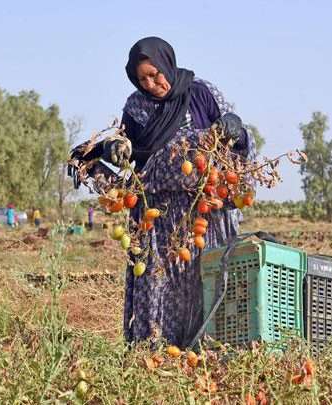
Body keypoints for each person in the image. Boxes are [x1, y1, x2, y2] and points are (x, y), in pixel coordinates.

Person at [69, 37, 255, 348]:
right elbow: (129, 157)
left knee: (206, 283)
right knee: (159, 289)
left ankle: (209, 354)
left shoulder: (201, 93)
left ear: (167, 63)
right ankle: (155, 356)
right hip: (158, 219)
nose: (153, 84)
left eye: (156, 74)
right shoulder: (137, 107)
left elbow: (236, 146)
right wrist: (110, 150)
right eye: (143, 79)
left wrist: (237, 129)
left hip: (205, 214)